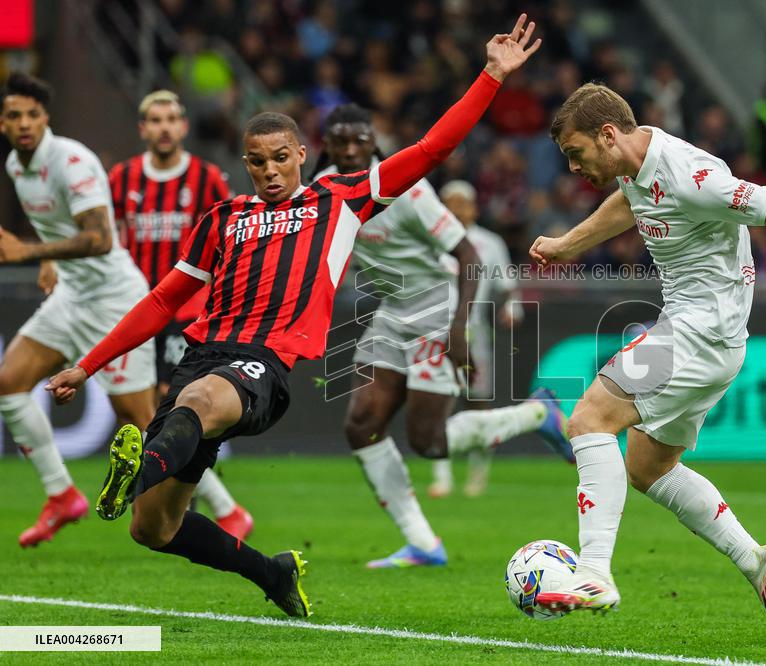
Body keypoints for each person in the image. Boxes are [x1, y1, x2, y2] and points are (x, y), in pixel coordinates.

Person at [45, 14, 542, 616]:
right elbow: (160, 301)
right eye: (258, 162)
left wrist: (491, 76)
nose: (271, 170)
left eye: (281, 157)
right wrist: (88, 365)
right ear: (246, 163)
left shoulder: (340, 200)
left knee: (196, 402)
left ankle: (136, 471)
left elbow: (432, 148)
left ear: (302, 154)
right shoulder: (222, 218)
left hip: (261, 365)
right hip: (203, 357)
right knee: (153, 528)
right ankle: (272, 572)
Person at [529, 83, 766, 642]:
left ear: (607, 135)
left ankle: (595, 574)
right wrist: (568, 244)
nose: (574, 167)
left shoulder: (689, 175)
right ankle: (757, 562)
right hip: (709, 337)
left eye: (576, 153)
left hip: (697, 333)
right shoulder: (636, 166)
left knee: (588, 421)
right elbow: (631, 202)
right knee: (647, 468)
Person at [312, 104, 570, 569]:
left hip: (436, 310)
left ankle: (537, 414)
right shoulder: (322, 189)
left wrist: (457, 327)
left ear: (373, 143)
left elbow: (469, 255)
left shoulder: (406, 187)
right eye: (340, 141)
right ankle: (423, 543)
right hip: (392, 311)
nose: (350, 150)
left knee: (428, 443)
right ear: (326, 145)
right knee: (361, 423)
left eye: (359, 141)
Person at [0, 72, 157, 548]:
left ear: (45, 118)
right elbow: (56, 224)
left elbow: (100, 238)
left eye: (32, 115)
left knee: (140, 422)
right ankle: (62, 494)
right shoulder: (16, 165)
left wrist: (30, 253)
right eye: (13, 115)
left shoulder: (71, 161)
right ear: (2, 123)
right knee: (8, 385)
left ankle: (227, 510)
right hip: (72, 295)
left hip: (114, 299)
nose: (23, 124)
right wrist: (50, 258)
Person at [109, 89, 253, 540]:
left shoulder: (207, 178)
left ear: (184, 126)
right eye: (155, 119)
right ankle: (210, 504)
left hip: (187, 312)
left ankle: (223, 508)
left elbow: (230, 237)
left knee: (170, 410)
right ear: (143, 128)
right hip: (138, 308)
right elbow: (109, 235)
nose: (164, 127)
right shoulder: (122, 178)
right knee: (141, 415)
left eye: (171, 118)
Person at [428, 179, 525, 499]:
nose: (456, 209)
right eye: (450, 202)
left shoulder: (489, 243)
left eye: (462, 202)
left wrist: (512, 306)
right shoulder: (429, 239)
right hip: (434, 330)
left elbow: (507, 284)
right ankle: (441, 476)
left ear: (474, 208)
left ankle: (478, 473)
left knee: (477, 403)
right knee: (436, 401)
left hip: (475, 331)